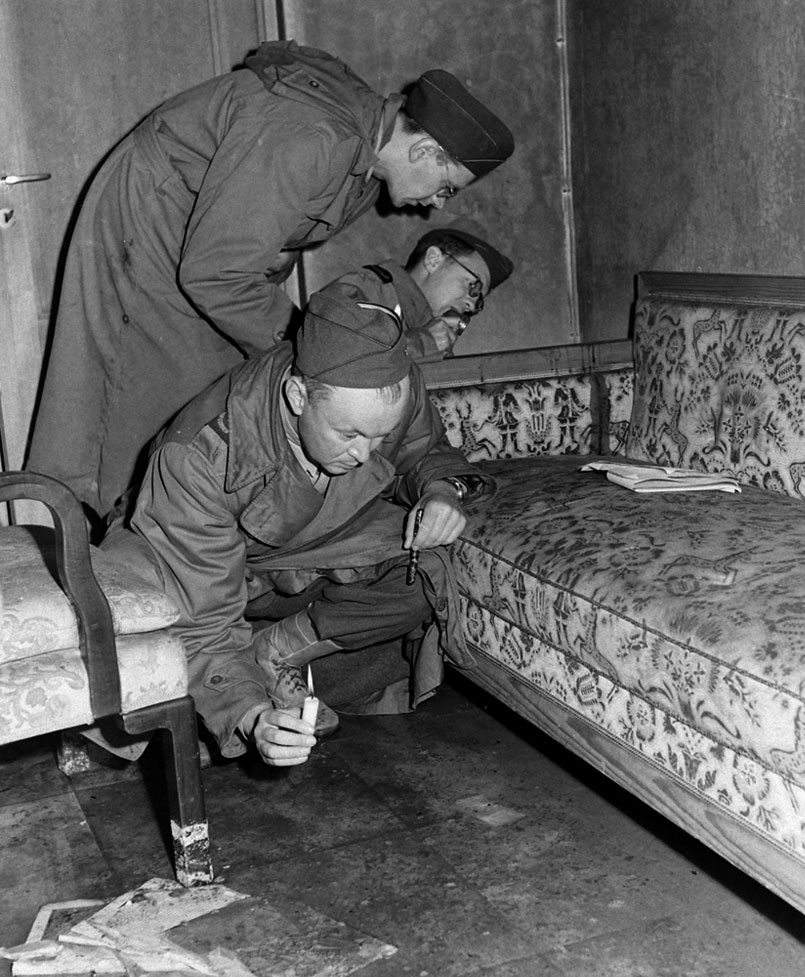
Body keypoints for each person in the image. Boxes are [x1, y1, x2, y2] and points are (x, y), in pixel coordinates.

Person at [28, 39, 514, 521]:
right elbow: (216, 274)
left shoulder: (367, 158)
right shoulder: (313, 137)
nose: (440, 204)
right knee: (134, 405)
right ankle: (100, 544)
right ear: (425, 149)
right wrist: (316, 346)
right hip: (153, 231)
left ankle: (147, 534)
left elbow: (269, 242)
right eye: (446, 186)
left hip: (198, 245)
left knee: (203, 394)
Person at [102, 289, 496, 767]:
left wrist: (439, 490)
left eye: (380, 435)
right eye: (349, 435)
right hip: (202, 573)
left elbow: (422, 449)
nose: (366, 454)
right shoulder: (198, 458)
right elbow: (203, 622)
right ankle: (234, 697)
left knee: (427, 569)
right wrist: (252, 716)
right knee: (164, 663)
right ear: (297, 396)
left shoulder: (383, 380)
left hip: (305, 552)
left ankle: (273, 656)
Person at [332, 227, 514, 364]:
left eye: (479, 301)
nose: (472, 306)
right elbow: (335, 359)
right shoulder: (365, 289)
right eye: (473, 287)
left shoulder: (432, 335)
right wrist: (423, 344)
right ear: (433, 260)